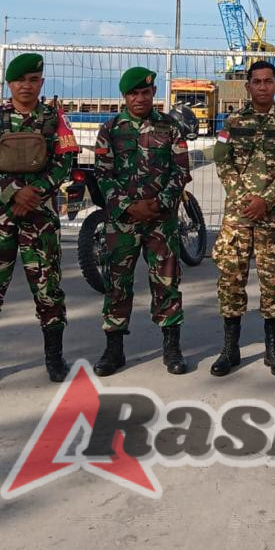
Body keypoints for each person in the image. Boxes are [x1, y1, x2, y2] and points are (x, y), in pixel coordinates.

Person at [0, 53, 79, 389]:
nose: (25, 86)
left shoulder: (55, 119)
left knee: (48, 289)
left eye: (32, 80)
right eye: (19, 81)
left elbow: (65, 162)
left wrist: (36, 192)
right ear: (9, 84)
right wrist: (12, 192)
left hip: (39, 217)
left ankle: (54, 358)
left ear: (41, 82)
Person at [92, 66, 192, 377]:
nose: (140, 98)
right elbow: (103, 175)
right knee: (117, 284)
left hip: (160, 221)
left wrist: (158, 204)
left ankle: (171, 348)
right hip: (122, 222)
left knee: (166, 282)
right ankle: (114, 349)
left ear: (153, 94)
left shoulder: (171, 129)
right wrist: (128, 206)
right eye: (133, 93)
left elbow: (180, 172)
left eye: (145, 92)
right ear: (124, 96)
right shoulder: (109, 130)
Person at [210, 59, 275, 377]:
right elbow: (222, 161)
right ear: (247, 85)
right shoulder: (232, 122)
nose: (263, 86)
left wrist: (266, 199)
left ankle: (273, 350)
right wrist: (243, 199)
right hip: (238, 216)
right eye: (257, 81)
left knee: (274, 281)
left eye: (269, 81)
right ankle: (229, 349)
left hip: (272, 217)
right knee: (231, 279)